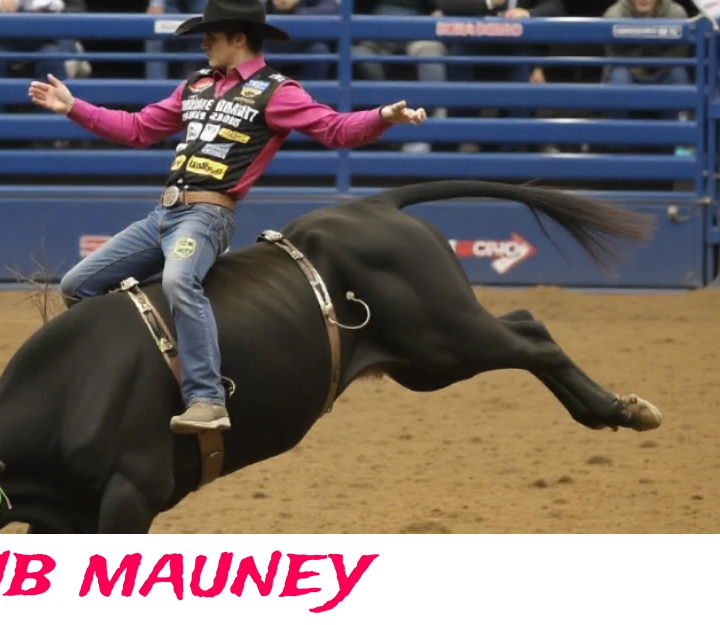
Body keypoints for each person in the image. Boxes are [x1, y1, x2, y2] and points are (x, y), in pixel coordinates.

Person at [27, 0, 425, 434]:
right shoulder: (196, 85)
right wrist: (73, 106)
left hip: (208, 216)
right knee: (77, 285)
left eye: (211, 35)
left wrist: (384, 116)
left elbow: (334, 128)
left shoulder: (278, 91)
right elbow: (139, 127)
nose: (203, 43)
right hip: (163, 213)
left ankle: (206, 398)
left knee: (181, 280)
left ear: (239, 38)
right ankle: (139, 372)